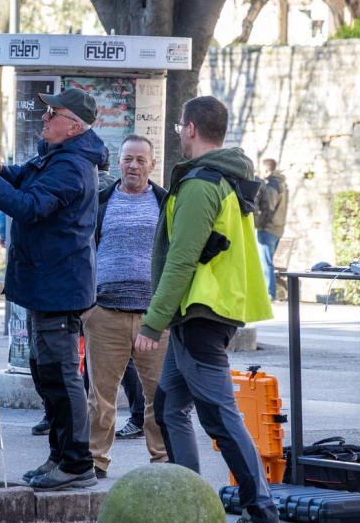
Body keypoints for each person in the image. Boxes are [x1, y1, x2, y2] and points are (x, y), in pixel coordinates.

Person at [135, 96, 278, 523]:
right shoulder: (228, 177)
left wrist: (152, 321)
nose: (179, 133)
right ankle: (189, 501)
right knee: (168, 408)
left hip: (200, 313)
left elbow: (181, 260)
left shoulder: (201, 183)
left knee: (219, 416)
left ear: (191, 128)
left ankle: (261, 508)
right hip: (204, 312)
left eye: (180, 126)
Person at [0, 87, 107, 491]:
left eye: (52, 113)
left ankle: (77, 464)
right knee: (47, 377)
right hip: (49, 285)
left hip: (60, 287)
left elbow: (29, 207)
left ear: (73, 125)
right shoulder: (61, 155)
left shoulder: (72, 165)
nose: (44, 118)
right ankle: (61, 456)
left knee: (61, 378)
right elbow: (26, 184)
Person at [84, 134, 169, 479]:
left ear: (151, 164)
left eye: (140, 160)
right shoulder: (100, 201)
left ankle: (163, 462)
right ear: (117, 163)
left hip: (154, 317)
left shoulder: (166, 203)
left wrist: (167, 312)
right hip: (105, 314)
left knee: (159, 396)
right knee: (100, 397)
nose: (133, 165)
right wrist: (87, 305)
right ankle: (95, 460)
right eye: (127, 159)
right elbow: (85, 250)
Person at [255, 158, 289, 301]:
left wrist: (259, 224)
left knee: (266, 263)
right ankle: (271, 293)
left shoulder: (272, 185)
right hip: (279, 228)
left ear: (266, 169)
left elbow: (268, 208)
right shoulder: (283, 184)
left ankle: (270, 295)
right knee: (268, 262)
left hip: (268, 228)